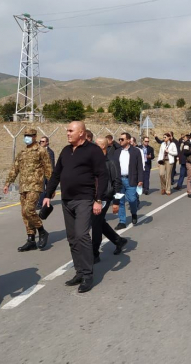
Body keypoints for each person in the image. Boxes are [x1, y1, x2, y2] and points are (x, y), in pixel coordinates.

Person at [42, 121, 107, 293]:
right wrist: (48, 195)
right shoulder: (65, 150)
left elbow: (103, 175)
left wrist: (98, 200)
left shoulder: (93, 151)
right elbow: (56, 174)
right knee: (72, 238)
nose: (67, 133)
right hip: (67, 200)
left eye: (71, 130)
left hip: (84, 200)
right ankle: (79, 271)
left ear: (81, 133)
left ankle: (87, 274)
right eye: (67, 130)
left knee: (81, 235)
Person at [3, 128, 53, 251]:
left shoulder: (41, 151)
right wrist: (8, 182)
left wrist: (50, 190)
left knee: (29, 209)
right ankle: (31, 239)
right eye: (25, 135)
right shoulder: (22, 152)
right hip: (23, 186)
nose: (27, 137)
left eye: (29, 135)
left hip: (35, 186)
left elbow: (48, 170)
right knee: (24, 213)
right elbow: (15, 169)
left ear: (35, 136)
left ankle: (42, 231)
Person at [92, 137, 128, 263]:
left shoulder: (111, 162)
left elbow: (117, 183)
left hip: (105, 197)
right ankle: (119, 240)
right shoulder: (94, 161)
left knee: (96, 224)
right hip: (94, 197)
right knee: (99, 222)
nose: (93, 146)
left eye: (96, 144)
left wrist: (116, 202)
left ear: (103, 146)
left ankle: (94, 254)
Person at [111, 132, 143, 229]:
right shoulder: (117, 152)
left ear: (128, 140)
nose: (120, 141)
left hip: (131, 180)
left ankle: (134, 213)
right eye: (119, 139)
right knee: (120, 201)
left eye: (122, 139)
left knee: (132, 200)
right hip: (119, 181)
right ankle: (122, 221)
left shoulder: (135, 151)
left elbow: (140, 167)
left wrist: (140, 179)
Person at [37, 136, 55, 209]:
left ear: (47, 142)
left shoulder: (50, 152)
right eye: (40, 141)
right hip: (40, 173)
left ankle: (45, 201)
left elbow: (52, 164)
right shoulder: (38, 151)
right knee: (41, 188)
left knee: (48, 188)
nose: (41, 143)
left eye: (43, 141)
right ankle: (40, 203)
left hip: (48, 173)